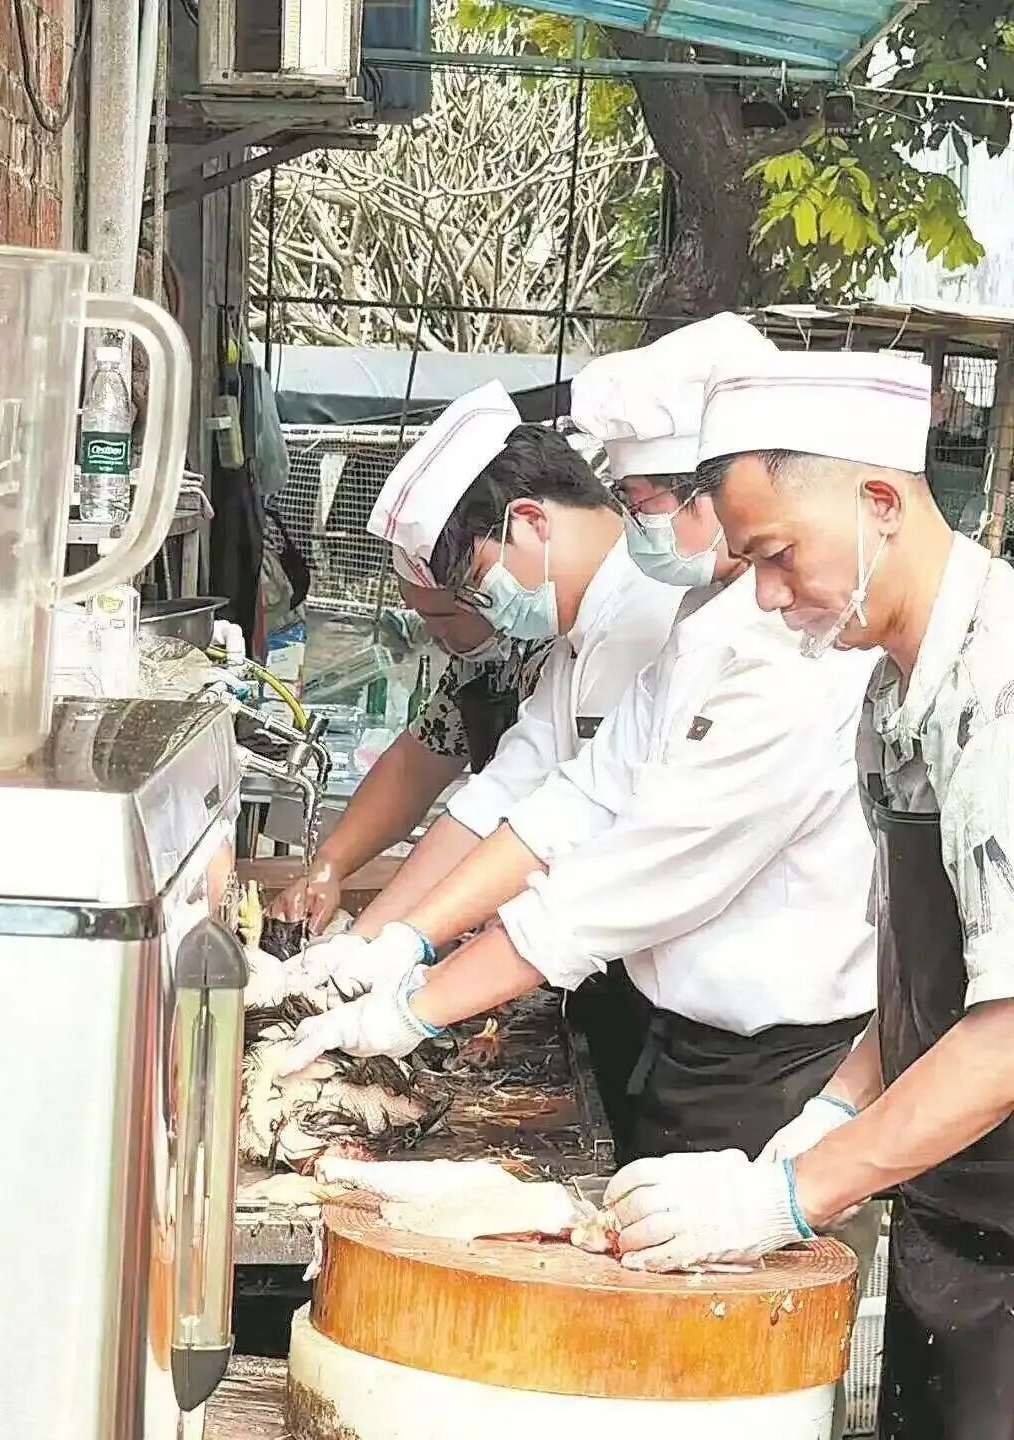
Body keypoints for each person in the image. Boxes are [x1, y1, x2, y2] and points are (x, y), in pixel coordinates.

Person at [279, 317, 879, 1177]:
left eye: (640, 503)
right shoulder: (691, 624)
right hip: (676, 1022)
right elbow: (555, 799)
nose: (635, 527)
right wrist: (395, 943)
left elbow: (633, 872)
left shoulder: (764, 645)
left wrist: (416, 1006)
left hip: (769, 1056)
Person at [602, 348, 1014, 1439]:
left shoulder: (1001, 687)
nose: (772, 597)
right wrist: (831, 1107)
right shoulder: (888, 696)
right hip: (952, 1211)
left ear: (880, 503)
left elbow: (1008, 1033)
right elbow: (933, 973)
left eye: (779, 556)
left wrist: (788, 1195)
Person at [270, 577, 551, 933]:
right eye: (423, 617)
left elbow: (513, 819)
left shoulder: (557, 659)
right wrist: (330, 864)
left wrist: (382, 936)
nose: (434, 635)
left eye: (444, 617)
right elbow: (414, 767)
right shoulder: (479, 661)